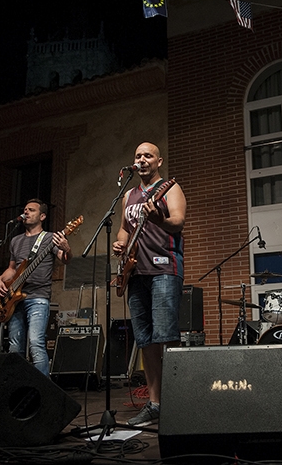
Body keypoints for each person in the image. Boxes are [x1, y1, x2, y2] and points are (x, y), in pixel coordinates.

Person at [113, 142, 186, 427]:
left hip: (164, 269)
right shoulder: (129, 195)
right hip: (135, 272)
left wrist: (160, 218)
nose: (142, 160)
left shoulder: (169, 188)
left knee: (166, 336)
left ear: (158, 161)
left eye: (148, 156)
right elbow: (123, 227)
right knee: (145, 339)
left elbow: (178, 222)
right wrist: (120, 242)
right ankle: (155, 403)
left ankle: (176, 400)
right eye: (138, 156)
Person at [0, 198, 72, 375]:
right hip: (14, 299)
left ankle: (42, 391)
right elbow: (12, 269)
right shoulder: (15, 240)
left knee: (36, 343)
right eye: (25, 209)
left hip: (38, 297)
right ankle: (18, 386)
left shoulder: (50, 238)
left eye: (31, 210)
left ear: (42, 216)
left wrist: (67, 249)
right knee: (15, 346)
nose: (26, 212)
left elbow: (65, 259)